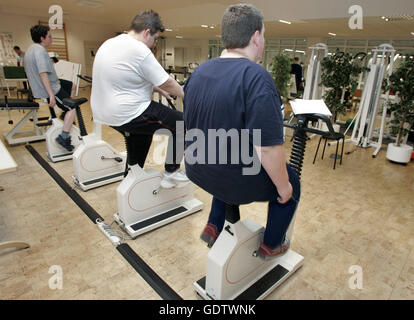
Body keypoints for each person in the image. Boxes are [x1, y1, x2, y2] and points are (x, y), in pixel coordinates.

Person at [183, 4, 301, 260]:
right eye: (264, 36)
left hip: (196, 167)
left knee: (225, 159)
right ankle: (272, 244)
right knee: (292, 184)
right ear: (256, 37)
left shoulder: (199, 72)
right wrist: (284, 188)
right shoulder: (257, 77)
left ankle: (214, 225)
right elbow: (268, 148)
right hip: (231, 180)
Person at [91, 10, 188, 186]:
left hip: (104, 113)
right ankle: (172, 172)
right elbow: (168, 82)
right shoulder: (140, 49)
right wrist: (188, 95)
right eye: (155, 38)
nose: (153, 43)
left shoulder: (111, 43)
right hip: (129, 111)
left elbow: (125, 76)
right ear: (146, 32)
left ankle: (133, 176)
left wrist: (158, 89)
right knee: (182, 123)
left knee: (141, 132)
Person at [24, 25, 76, 151]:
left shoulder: (31, 49)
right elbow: (43, 74)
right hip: (52, 87)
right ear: (42, 38)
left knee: (72, 86)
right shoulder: (40, 51)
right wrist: (51, 95)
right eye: (49, 36)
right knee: (73, 107)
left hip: (54, 82)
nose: (51, 39)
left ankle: (65, 112)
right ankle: (63, 137)